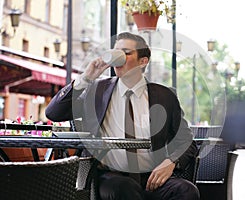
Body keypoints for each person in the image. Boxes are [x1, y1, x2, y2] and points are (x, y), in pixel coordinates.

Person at [46, 32, 200, 200]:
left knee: (186, 191)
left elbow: (186, 140)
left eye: (126, 53)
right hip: (110, 177)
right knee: (124, 188)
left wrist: (171, 162)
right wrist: (86, 77)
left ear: (143, 61)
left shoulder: (164, 96)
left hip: (151, 178)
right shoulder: (97, 91)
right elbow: (54, 113)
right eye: (116, 51)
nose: (117, 57)